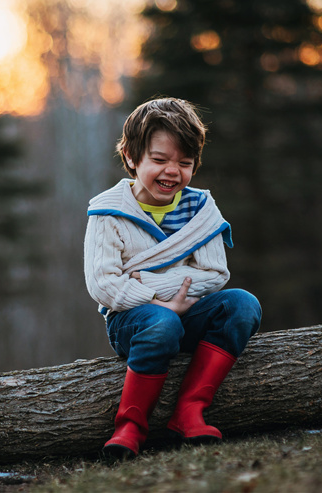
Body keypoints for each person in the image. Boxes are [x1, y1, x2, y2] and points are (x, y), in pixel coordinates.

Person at [83, 97, 262, 460]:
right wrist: (163, 302)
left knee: (243, 304)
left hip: (187, 310)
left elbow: (214, 274)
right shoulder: (108, 212)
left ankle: (189, 410)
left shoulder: (200, 208)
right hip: (132, 320)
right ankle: (130, 426)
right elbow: (103, 285)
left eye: (185, 162)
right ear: (132, 158)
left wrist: (146, 282)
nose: (172, 172)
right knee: (162, 321)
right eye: (160, 160)